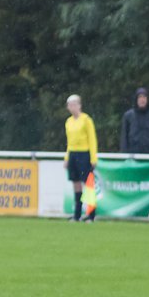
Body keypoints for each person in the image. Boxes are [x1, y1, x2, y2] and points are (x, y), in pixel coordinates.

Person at [64, 94, 98, 222]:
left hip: (84, 154)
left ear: (79, 105)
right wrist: (67, 157)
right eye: (69, 105)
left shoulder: (86, 120)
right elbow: (69, 142)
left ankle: (91, 215)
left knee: (88, 185)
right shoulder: (68, 122)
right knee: (76, 183)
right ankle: (77, 214)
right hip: (73, 154)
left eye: (74, 104)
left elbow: (92, 139)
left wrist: (93, 158)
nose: (72, 107)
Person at [120, 87, 149, 154]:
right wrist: (124, 155)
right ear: (136, 99)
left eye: (144, 97)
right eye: (140, 97)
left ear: (147, 99)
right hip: (132, 156)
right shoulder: (128, 116)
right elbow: (124, 139)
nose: (142, 100)